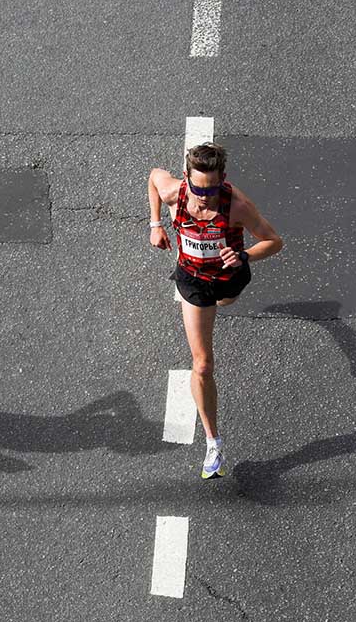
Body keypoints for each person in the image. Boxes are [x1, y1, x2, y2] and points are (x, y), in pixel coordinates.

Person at [148, 142, 284, 478]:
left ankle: (224, 301)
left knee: (228, 301)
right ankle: (213, 442)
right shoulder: (174, 194)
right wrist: (155, 224)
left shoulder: (237, 206)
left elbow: (274, 240)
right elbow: (153, 176)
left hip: (229, 278)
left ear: (223, 179)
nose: (204, 197)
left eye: (211, 189)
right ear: (186, 178)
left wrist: (245, 256)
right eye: (197, 188)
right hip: (193, 281)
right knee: (203, 364)